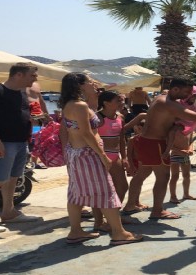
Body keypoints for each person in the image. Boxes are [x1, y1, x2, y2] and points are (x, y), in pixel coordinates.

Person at [59, 72, 142, 246]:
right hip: (88, 154)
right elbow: (87, 133)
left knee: (76, 193)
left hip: (76, 153)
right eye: (89, 82)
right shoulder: (80, 105)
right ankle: (119, 233)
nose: (94, 83)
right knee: (106, 192)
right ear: (79, 85)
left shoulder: (70, 104)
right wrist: (103, 156)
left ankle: (75, 231)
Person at [131, 78, 196, 220]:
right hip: (156, 144)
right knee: (163, 177)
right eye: (186, 92)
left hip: (146, 141)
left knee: (141, 174)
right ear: (175, 89)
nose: (188, 95)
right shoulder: (170, 104)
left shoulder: (160, 98)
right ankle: (157, 211)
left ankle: (129, 205)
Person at [0, 63, 41, 233]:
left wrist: (35, 120)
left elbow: (16, 114)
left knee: (13, 178)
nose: (35, 78)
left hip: (20, 141)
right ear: (18, 75)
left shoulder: (21, 92)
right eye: (32, 75)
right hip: (3, 142)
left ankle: (8, 212)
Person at [90, 90, 131, 230]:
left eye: (122, 100)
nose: (122, 103)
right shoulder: (97, 118)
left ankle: (113, 216)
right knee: (99, 191)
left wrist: (124, 157)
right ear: (106, 103)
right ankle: (98, 222)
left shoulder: (120, 117)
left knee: (123, 186)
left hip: (115, 156)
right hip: (100, 157)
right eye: (118, 101)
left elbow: (121, 138)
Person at [166, 86, 196, 203]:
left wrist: (191, 149)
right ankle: (173, 196)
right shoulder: (174, 130)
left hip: (186, 155)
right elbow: (170, 145)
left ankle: (186, 194)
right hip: (175, 155)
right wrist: (182, 151)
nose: (194, 99)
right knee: (174, 176)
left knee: (187, 175)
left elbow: (191, 140)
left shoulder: (188, 129)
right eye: (193, 96)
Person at [26, 81, 49, 169]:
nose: (34, 76)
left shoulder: (36, 85)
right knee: (27, 140)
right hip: (25, 118)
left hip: (37, 119)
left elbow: (41, 101)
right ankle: (25, 163)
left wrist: (47, 115)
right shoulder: (19, 84)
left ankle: (34, 162)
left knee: (36, 139)